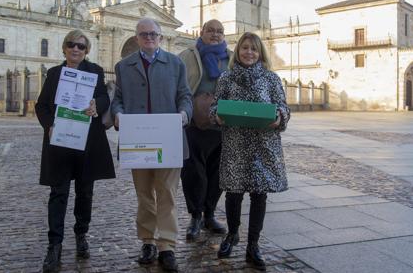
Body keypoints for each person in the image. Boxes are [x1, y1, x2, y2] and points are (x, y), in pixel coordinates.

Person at [110, 18, 192, 272]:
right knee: (144, 194)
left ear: (160, 36)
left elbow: (185, 96)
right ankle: (147, 240)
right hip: (138, 141)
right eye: (144, 34)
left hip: (168, 139)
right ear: (137, 38)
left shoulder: (176, 63)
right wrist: (118, 114)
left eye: (153, 34)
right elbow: (118, 99)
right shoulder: (123, 66)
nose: (149, 38)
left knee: (166, 192)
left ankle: (166, 245)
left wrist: (184, 114)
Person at [36, 30, 116, 272]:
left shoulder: (96, 71)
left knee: (85, 192)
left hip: (87, 142)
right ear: (64, 48)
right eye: (71, 45)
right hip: (60, 141)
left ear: (86, 50)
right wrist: (49, 125)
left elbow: (104, 98)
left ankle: (81, 234)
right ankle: (55, 244)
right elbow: (41, 106)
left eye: (81, 46)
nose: (76, 49)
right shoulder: (54, 74)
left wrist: (96, 105)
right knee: (58, 193)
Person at [210, 32, 290, 271]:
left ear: (260, 53)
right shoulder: (226, 78)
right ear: (238, 51)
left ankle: (253, 244)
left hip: (263, 145)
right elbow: (216, 105)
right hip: (235, 143)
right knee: (233, 194)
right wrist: (217, 115)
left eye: (254, 49)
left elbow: (283, 106)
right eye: (245, 48)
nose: (249, 53)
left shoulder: (271, 79)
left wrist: (279, 116)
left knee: (259, 195)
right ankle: (232, 234)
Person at [179, 19, 231, 240]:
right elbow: (179, 85)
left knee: (217, 174)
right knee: (193, 173)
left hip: (222, 123)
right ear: (201, 32)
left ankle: (209, 214)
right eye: (211, 30)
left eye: (219, 31)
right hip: (194, 122)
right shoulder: (188, 55)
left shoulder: (231, 58)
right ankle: (195, 216)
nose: (215, 34)